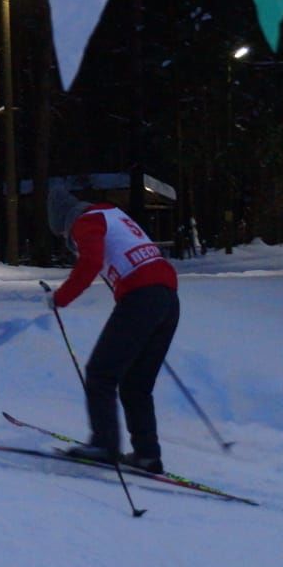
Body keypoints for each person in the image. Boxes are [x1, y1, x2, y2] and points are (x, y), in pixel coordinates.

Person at [43, 183, 180, 474]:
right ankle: (147, 455)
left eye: (63, 235)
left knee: (100, 373)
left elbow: (91, 262)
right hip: (167, 298)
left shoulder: (85, 221)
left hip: (142, 297)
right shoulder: (111, 214)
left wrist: (60, 298)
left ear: (63, 221)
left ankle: (105, 444)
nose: (68, 241)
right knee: (135, 385)